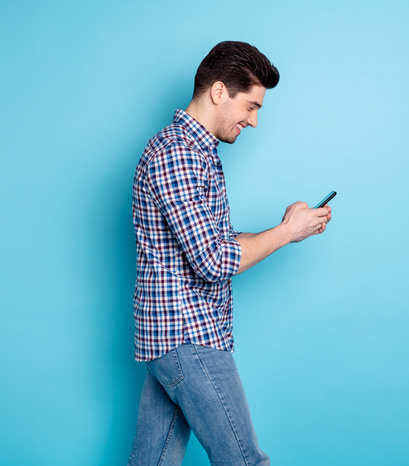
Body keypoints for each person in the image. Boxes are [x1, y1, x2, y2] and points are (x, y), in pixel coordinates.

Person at [128, 41, 332, 466]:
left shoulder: (195, 153)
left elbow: (211, 241)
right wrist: (285, 232)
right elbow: (214, 261)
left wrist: (284, 229)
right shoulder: (178, 155)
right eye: (251, 106)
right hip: (188, 335)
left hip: (176, 337)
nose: (254, 121)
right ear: (219, 92)